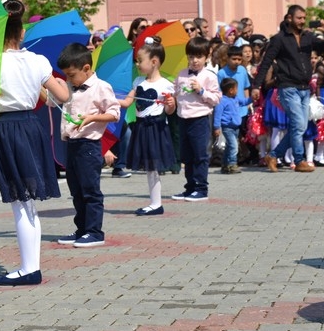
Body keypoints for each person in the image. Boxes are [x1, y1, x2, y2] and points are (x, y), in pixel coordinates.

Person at [0, 0, 70, 285]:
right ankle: (30, 265)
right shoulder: (37, 61)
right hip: (31, 126)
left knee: (19, 200)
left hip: (6, 127)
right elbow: (63, 96)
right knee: (28, 200)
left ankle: (28, 268)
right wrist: (35, 87)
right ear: (21, 31)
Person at [252, 4, 324, 173]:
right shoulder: (279, 39)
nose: (302, 21)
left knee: (300, 126)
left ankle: (274, 155)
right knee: (298, 124)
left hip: (305, 89)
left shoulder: (307, 37)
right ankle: (299, 160)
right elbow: (266, 62)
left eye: (304, 18)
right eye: (299, 18)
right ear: (289, 18)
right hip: (287, 87)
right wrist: (256, 86)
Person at [56, 43, 120, 247]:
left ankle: (94, 231)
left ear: (86, 68)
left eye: (71, 74)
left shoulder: (101, 87)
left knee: (90, 189)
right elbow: (51, 101)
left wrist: (92, 118)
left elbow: (115, 113)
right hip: (71, 144)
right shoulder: (68, 87)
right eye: (65, 75)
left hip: (89, 146)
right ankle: (81, 229)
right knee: (75, 189)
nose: (68, 79)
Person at [120, 36, 176, 215]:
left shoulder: (166, 85)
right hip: (141, 127)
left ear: (154, 62)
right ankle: (154, 202)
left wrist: (170, 103)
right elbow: (127, 102)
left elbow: (169, 112)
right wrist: (109, 98)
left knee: (153, 167)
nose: (137, 64)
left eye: (140, 61)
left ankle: (156, 203)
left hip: (156, 128)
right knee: (149, 168)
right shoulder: (138, 83)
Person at [172, 37, 222, 201]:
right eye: (191, 56)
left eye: (198, 57)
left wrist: (201, 91)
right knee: (187, 156)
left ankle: (201, 188)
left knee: (200, 154)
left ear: (207, 56)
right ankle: (190, 187)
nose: (194, 61)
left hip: (200, 119)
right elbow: (175, 93)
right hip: (183, 118)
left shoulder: (209, 76)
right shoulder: (181, 74)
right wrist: (170, 98)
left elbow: (216, 98)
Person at [214, 78, 252, 174]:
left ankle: (225, 164)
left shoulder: (235, 99)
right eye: (236, 89)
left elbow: (244, 102)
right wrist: (216, 127)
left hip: (235, 128)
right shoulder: (222, 101)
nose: (237, 91)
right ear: (231, 90)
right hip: (227, 128)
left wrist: (252, 98)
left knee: (229, 146)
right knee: (234, 146)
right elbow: (217, 115)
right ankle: (232, 164)